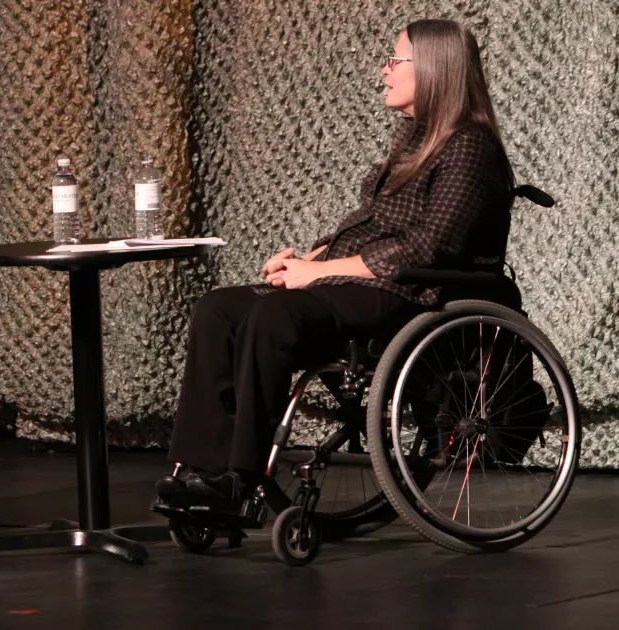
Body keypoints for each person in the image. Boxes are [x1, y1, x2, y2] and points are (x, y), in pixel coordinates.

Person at [155, 19, 515, 510]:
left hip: (410, 294)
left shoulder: (469, 146)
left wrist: (316, 273)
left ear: (432, 70)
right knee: (217, 310)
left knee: (273, 317)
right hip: (361, 283)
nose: (383, 71)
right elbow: (371, 225)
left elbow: (429, 248)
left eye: (394, 61)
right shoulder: (415, 139)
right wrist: (310, 258)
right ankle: (201, 469)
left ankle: (240, 479)